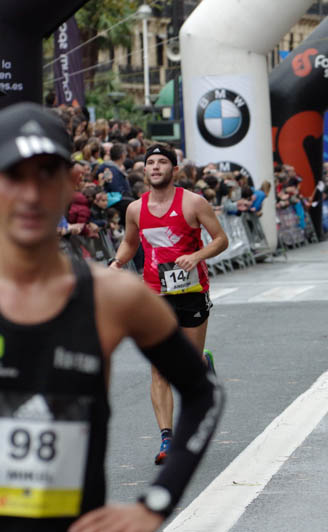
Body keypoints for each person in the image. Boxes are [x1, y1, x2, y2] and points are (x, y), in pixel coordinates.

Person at [0, 102, 223, 532]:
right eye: (13, 175)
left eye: (45, 174)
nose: (30, 194)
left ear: (72, 183)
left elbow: (204, 394)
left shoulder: (111, 297)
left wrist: (156, 502)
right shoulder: (134, 219)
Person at [110, 143, 228, 464]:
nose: (156, 167)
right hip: (154, 295)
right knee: (160, 369)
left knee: (188, 369)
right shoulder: (136, 209)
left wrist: (196, 255)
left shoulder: (193, 203)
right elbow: (130, 243)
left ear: (174, 169)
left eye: (162, 162)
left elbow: (221, 239)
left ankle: (201, 362)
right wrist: (117, 263)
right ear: (144, 170)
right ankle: (167, 439)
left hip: (192, 291)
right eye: (151, 162)